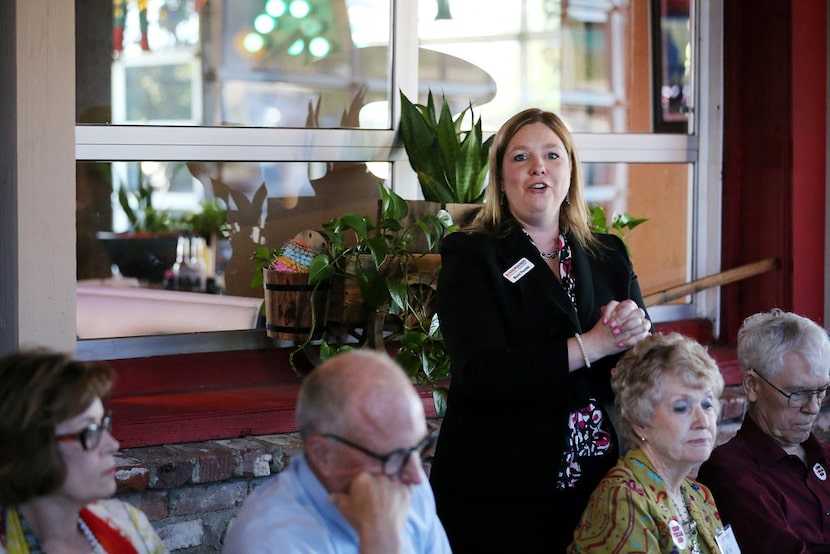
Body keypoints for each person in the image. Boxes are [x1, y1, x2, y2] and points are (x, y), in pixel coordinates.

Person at [430, 107, 653, 553]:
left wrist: (638, 333)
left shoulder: (608, 253)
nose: (538, 167)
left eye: (553, 155)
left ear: (570, 171)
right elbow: (482, 372)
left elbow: (640, 370)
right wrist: (592, 344)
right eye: (521, 157)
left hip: (599, 484)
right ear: (500, 176)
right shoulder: (472, 255)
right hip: (500, 490)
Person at [224, 349, 451, 554]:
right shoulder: (270, 542)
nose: (416, 476)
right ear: (323, 454)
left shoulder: (405, 485)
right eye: (393, 456)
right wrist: (382, 542)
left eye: (418, 448)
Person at [568, 332, 736, 553]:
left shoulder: (699, 495)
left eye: (707, 404)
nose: (703, 421)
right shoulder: (625, 498)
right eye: (681, 407)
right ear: (640, 421)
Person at [0, 348, 168, 553]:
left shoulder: (130, 525)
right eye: (90, 430)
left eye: (102, 424)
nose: (112, 444)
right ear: (30, 447)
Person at [696, 309, 830, 552]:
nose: (813, 408)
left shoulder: (825, 456)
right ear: (752, 386)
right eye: (798, 393)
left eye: (821, 391)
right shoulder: (731, 473)